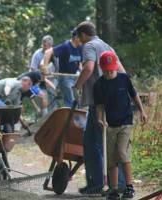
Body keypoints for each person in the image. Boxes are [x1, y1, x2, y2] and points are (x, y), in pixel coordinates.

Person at [73, 21, 126, 194]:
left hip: (99, 103)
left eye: (78, 37)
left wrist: (77, 86)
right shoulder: (106, 45)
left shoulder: (89, 46)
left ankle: (96, 185)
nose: (79, 41)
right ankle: (119, 184)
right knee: (111, 143)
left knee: (91, 143)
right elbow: (122, 72)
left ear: (82, 35)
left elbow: (88, 67)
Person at [94, 51, 147, 200]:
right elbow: (99, 105)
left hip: (125, 122)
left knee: (122, 152)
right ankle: (114, 189)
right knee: (111, 158)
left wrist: (142, 111)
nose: (109, 72)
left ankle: (129, 187)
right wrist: (99, 119)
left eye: (111, 69)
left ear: (115, 66)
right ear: (102, 68)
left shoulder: (124, 79)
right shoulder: (99, 84)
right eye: (106, 69)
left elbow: (134, 95)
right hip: (110, 124)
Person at [43, 28, 82, 107]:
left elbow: (80, 62)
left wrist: (82, 71)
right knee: (70, 101)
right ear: (76, 38)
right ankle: (70, 118)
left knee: (79, 101)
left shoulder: (80, 47)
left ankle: (78, 116)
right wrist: (45, 68)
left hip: (75, 76)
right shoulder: (66, 46)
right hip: (65, 77)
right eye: (81, 37)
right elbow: (48, 52)